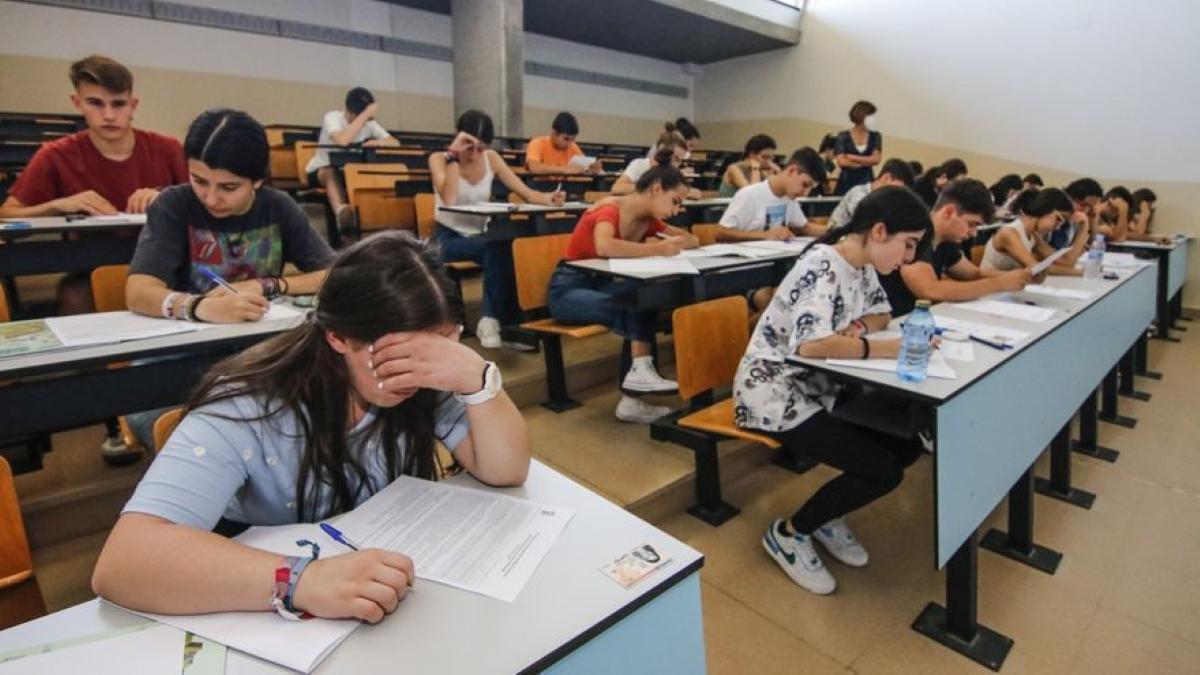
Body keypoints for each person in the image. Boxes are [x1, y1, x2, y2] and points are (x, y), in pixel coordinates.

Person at [92, 231, 531, 623]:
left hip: (376, 590)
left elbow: (505, 469)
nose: (415, 376)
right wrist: (301, 580)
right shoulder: (249, 405)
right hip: (270, 597)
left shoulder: (429, 379)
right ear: (337, 337)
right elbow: (124, 564)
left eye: (437, 351)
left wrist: (477, 379)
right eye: (396, 358)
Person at [737, 186, 932, 595]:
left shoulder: (861, 267)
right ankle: (789, 533)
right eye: (908, 244)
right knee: (882, 468)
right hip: (774, 394)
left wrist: (859, 329)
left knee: (907, 443)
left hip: (820, 389)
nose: (908, 258)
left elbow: (880, 313)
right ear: (880, 231)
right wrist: (884, 349)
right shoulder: (823, 265)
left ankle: (827, 515)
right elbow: (812, 346)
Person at [124, 108, 335, 451]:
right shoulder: (174, 206)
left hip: (259, 351)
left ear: (258, 180)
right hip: (181, 355)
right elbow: (138, 291)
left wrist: (268, 285)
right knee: (174, 428)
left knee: (312, 414)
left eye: (229, 187)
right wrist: (200, 307)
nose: (210, 198)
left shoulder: (278, 207)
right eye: (199, 181)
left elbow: (333, 274)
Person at [0, 54, 187, 314]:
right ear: (77, 103)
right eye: (95, 103)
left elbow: (206, 200)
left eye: (118, 104)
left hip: (168, 264)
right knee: (74, 294)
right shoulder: (55, 155)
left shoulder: (168, 149)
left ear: (133, 105)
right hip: (92, 267)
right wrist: (57, 205)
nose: (109, 115)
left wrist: (166, 196)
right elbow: (6, 216)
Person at [548, 165, 699, 424]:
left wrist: (673, 243)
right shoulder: (608, 210)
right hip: (567, 290)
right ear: (656, 189)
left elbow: (693, 240)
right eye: (675, 201)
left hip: (602, 286)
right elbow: (604, 245)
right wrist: (658, 250)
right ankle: (640, 371)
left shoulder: (648, 221)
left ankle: (633, 395)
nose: (676, 210)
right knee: (631, 303)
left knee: (645, 297)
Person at [429, 110, 564, 350]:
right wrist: (453, 155)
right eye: (469, 147)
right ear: (457, 138)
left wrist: (549, 199)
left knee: (503, 244)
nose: (475, 154)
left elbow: (527, 193)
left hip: (481, 236)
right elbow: (449, 198)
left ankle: (497, 321)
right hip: (447, 239)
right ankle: (499, 322)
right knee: (496, 245)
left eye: (480, 148)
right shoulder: (439, 159)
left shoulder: (491, 158)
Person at [880, 179, 1030, 316]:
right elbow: (930, 290)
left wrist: (1018, 276)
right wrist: (1000, 283)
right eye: (971, 224)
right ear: (949, 212)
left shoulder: (945, 240)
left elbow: (973, 274)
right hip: (896, 321)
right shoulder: (916, 235)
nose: (973, 233)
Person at [305, 87, 399, 234]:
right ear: (348, 110)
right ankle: (341, 213)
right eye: (357, 115)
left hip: (348, 174)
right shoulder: (332, 117)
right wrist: (365, 115)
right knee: (330, 171)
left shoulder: (369, 124)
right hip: (320, 172)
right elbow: (343, 140)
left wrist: (379, 143)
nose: (362, 121)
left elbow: (395, 143)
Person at [717, 148, 827, 242]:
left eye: (810, 188)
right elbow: (721, 233)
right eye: (805, 184)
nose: (805, 193)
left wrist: (839, 231)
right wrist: (765, 235)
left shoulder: (789, 198)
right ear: (792, 171)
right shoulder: (749, 194)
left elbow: (805, 227)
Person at [982, 188, 1080, 275]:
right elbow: (1036, 268)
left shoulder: (1033, 235)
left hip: (1008, 288)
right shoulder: (1009, 233)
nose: (1058, 227)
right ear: (1045, 208)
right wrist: (1079, 272)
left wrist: (1085, 227)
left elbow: (1066, 262)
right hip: (989, 291)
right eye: (1058, 219)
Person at [611, 126, 701, 199]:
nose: (677, 165)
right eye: (675, 159)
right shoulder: (639, 164)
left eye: (680, 160)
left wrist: (689, 192)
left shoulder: (673, 172)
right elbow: (617, 188)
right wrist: (650, 189)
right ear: (662, 152)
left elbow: (685, 190)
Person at [827, 158, 915, 229]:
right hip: (837, 241)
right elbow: (865, 221)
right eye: (898, 189)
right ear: (887, 178)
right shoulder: (859, 192)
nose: (898, 195)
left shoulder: (882, 199)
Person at [524, 112, 599, 174]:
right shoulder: (537, 143)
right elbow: (533, 167)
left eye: (572, 140)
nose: (569, 144)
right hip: (539, 189)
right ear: (554, 133)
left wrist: (591, 169)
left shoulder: (573, 147)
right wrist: (563, 169)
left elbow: (583, 167)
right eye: (566, 139)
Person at [832, 100, 882, 195]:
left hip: (867, 183)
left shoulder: (876, 136)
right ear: (862, 116)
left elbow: (876, 159)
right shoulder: (843, 136)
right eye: (871, 116)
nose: (874, 119)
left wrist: (853, 157)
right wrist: (866, 162)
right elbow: (842, 162)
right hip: (846, 183)